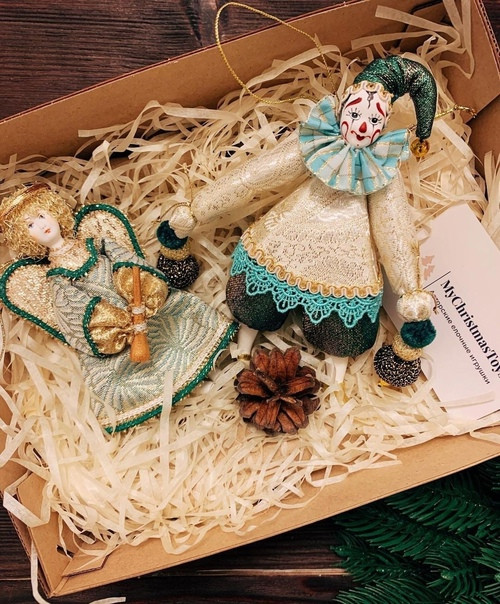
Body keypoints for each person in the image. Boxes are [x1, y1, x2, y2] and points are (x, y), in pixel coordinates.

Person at [168, 56, 438, 386]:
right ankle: (246, 336)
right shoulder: (317, 142)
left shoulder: (382, 168)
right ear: (342, 109)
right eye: (355, 114)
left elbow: (393, 227)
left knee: (344, 335)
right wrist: (199, 209)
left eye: (373, 120)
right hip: (285, 241)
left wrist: (409, 289)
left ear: (383, 127)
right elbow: (257, 176)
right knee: (252, 303)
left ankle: (336, 363)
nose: (361, 127)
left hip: (345, 262)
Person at [0, 183, 238, 432]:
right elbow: (72, 310)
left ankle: (213, 373)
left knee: (177, 327)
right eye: (30, 225)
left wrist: (140, 292)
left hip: (141, 308)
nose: (41, 225)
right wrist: (114, 324)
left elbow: (126, 260)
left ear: (54, 211)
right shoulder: (57, 278)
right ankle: (186, 398)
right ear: (26, 238)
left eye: (41, 216)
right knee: (131, 372)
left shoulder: (95, 244)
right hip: (117, 334)